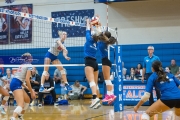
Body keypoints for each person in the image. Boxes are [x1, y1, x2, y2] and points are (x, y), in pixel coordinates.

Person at [10, 53, 36, 120]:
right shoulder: (29, 65)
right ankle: (13, 118)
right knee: (21, 105)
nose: (32, 58)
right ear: (28, 58)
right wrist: (32, 92)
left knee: (27, 100)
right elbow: (27, 80)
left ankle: (20, 116)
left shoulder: (22, 65)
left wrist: (30, 90)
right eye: (30, 57)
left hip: (16, 83)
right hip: (16, 84)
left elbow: (21, 81)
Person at [84, 18, 101, 109]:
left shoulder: (89, 39)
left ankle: (94, 98)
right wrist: (95, 26)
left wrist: (88, 22)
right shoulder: (96, 42)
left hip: (89, 62)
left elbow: (87, 30)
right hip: (95, 62)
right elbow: (95, 34)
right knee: (95, 83)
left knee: (91, 82)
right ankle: (97, 99)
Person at [97, 31, 117, 104]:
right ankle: (110, 95)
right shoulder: (104, 41)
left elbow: (100, 34)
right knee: (107, 80)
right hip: (106, 61)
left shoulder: (104, 41)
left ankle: (110, 95)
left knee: (107, 80)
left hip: (105, 61)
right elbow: (100, 35)